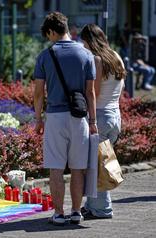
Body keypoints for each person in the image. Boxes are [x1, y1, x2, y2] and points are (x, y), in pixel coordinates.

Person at [33, 12, 97, 225]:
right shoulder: (86, 54)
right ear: (67, 29)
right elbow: (91, 93)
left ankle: (59, 214)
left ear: (51, 31)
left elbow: (39, 93)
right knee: (78, 167)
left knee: (56, 168)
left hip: (55, 117)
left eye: (47, 35)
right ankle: (77, 212)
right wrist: (94, 121)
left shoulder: (45, 56)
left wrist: (38, 119)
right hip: (80, 118)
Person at [80, 24, 126, 219]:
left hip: (100, 116)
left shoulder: (97, 60)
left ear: (89, 41)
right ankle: (92, 206)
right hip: (115, 115)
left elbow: (94, 93)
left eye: (83, 42)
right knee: (99, 162)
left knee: (98, 166)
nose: (82, 46)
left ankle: (102, 209)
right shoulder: (116, 57)